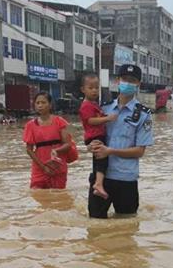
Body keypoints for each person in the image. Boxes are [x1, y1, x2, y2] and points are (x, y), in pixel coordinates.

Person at [87, 64, 153, 219]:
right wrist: (91, 146)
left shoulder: (143, 115)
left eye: (132, 80)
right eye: (124, 79)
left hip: (126, 180)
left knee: (126, 227)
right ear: (117, 80)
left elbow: (140, 151)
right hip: (101, 178)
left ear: (138, 84)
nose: (128, 83)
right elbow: (93, 135)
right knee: (95, 226)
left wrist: (110, 151)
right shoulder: (103, 109)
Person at [79, 72, 117, 199]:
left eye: (96, 88)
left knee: (99, 160)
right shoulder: (86, 106)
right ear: (83, 90)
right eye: (90, 88)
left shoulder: (94, 104)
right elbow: (91, 121)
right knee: (102, 159)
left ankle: (98, 183)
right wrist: (108, 119)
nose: (94, 91)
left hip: (97, 135)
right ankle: (99, 184)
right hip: (94, 136)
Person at [23, 92, 71, 189]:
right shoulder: (30, 125)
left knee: (58, 197)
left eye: (43, 102)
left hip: (58, 165)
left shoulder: (59, 121)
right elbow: (29, 150)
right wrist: (43, 167)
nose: (40, 105)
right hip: (39, 167)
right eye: (38, 103)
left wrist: (56, 151)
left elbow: (67, 144)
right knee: (37, 194)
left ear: (50, 105)